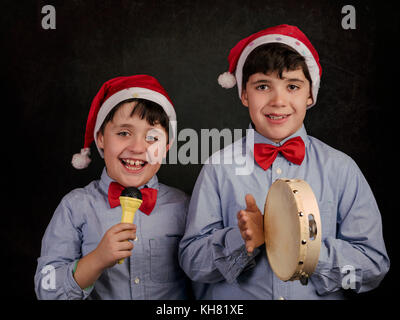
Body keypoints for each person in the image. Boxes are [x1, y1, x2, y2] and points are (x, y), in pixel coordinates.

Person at [178, 24, 390, 299]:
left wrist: (304, 250)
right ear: (244, 94)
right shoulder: (218, 168)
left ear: (310, 95)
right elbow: (192, 263)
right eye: (263, 86)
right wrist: (240, 240)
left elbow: (373, 266)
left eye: (292, 86)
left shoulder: (341, 169)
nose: (278, 101)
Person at [35, 75, 191, 299]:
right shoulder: (75, 207)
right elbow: (46, 289)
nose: (138, 147)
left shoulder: (184, 206)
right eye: (124, 133)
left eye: (152, 137)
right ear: (100, 138)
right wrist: (96, 260)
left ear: (166, 147)